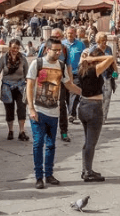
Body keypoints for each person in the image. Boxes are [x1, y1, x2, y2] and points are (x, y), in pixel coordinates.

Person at [27, 37, 81, 189]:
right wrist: (31, 108)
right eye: (55, 50)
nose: (58, 53)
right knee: (38, 143)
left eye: (60, 51)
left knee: (51, 145)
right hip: (38, 110)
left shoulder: (61, 66)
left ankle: (49, 174)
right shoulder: (37, 64)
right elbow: (30, 86)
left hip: (54, 111)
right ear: (47, 49)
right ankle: (39, 177)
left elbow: (68, 84)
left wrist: (84, 93)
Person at [75, 47, 115, 182]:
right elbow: (110, 58)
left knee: (87, 141)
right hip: (94, 107)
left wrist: (89, 58)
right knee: (91, 143)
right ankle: (88, 172)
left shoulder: (82, 68)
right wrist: (95, 59)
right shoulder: (95, 69)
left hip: (83, 105)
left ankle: (85, 169)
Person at [38, 27, 71, 141]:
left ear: (62, 37)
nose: (55, 38)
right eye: (53, 37)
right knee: (44, 106)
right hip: (46, 81)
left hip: (60, 82)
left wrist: (69, 82)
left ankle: (64, 131)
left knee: (61, 106)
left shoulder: (65, 49)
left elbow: (68, 66)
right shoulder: (44, 47)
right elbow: (38, 63)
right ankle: (45, 131)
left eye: (57, 37)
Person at [0, 39, 29, 142]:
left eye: (17, 48)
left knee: (21, 108)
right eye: (13, 47)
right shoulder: (4, 58)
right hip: (7, 86)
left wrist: (29, 87)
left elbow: (27, 74)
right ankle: (10, 130)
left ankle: (22, 131)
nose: (15, 50)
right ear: (10, 47)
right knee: (9, 109)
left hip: (20, 86)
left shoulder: (23, 59)